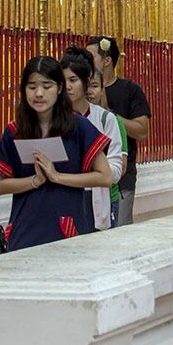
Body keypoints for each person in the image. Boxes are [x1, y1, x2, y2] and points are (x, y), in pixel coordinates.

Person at [0, 56, 112, 250]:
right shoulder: (15, 131)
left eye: (47, 86)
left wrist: (58, 177)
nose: (39, 93)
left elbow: (105, 177)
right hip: (24, 230)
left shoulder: (78, 127)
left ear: (59, 88)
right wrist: (34, 181)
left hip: (68, 230)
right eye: (32, 87)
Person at [60, 45, 125, 231]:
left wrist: (88, 172)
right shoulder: (54, 120)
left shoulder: (106, 119)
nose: (68, 87)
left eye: (73, 80)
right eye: (63, 81)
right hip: (64, 197)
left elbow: (115, 170)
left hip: (95, 201)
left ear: (86, 82)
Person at [87, 36, 150, 226]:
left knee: (119, 231)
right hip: (87, 181)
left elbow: (142, 132)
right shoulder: (79, 93)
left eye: (89, 57)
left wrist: (109, 115)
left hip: (121, 178)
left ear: (107, 60)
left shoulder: (130, 90)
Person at [86, 65, 127, 226]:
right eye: (86, 86)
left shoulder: (112, 121)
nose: (90, 91)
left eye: (95, 86)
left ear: (103, 89)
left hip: (109, 198)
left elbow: (121, 168)